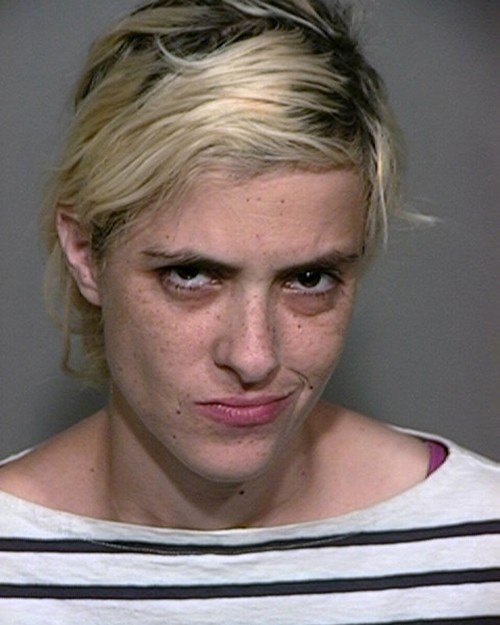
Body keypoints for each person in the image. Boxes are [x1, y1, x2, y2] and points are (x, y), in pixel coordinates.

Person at [0, 0, 498, 622]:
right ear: (84, 253)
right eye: (190, 275)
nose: (254, 356)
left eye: (309, 279)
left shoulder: (482, 546)